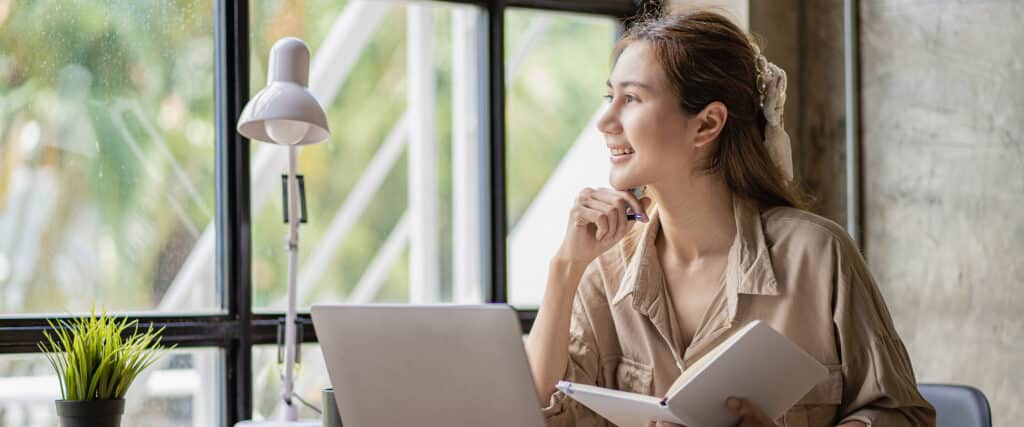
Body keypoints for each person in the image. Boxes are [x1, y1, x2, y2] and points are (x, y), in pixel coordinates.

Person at [524, 9, 936, 427]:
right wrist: (565, 267)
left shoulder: (817, 256)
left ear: (707, 124)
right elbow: (533, 416)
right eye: (609, 97)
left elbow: (902, 416)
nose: (605, 121)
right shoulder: (603, 269)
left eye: (631, 98)